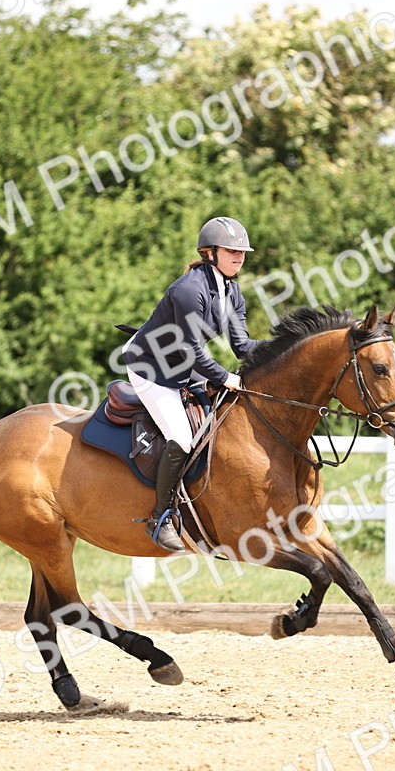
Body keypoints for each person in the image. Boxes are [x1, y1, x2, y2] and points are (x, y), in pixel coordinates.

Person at [123, 217, 265, 551]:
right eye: (232, 251)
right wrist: (224, 376)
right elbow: (190, 349)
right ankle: (160, 519)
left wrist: (283, 348)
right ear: (210, 252)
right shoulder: (190, 289)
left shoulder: (230, 290)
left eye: (242, 252)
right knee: (182, 438)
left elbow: (242, 346)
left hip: (182, 364)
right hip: (150, 367)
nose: (239, 257)